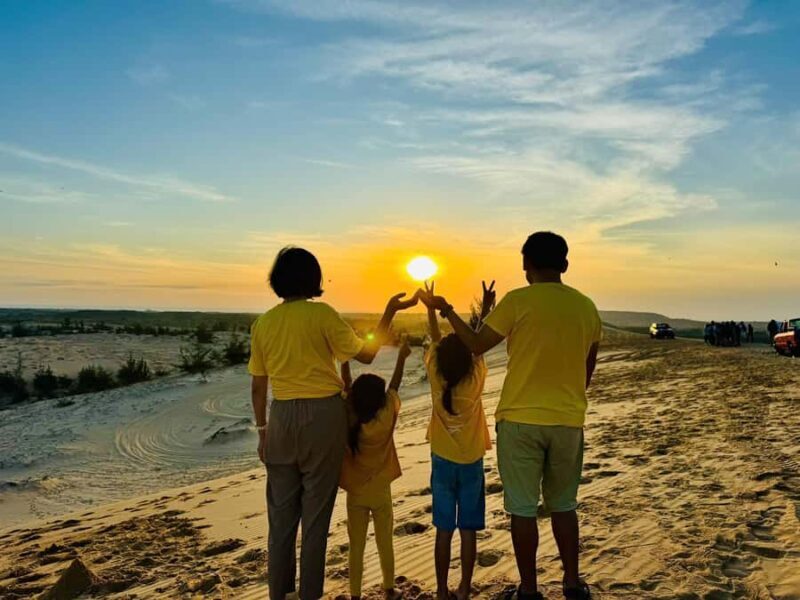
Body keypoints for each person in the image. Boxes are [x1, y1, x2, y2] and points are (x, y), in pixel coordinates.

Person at [419, 232, 601, 600]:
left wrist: (446, 309)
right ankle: (571, 582)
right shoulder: (587, 308)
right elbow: (587, 369)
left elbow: (475, 344)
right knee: (564, 505)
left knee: (522, 509)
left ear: (526, 265)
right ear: (565, 265)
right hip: (568, 419)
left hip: (520, 420)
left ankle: (529, 590)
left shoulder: (518, 301)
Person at [248, 246, 418, 600]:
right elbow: (366, 355)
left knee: (281, 523)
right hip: (323, 418)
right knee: (315, 522)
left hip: (280, 418)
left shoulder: (263, 323)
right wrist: (389, 312)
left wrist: (262, 432)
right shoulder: (322, 314)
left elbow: (258, 385)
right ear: (313, 278)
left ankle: (279, 595)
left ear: (278, 280)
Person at [423, 280, 494, 600]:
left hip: (442, 460)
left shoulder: (435, 375)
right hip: (471, 461)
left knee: (443, 530)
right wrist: (486, 309)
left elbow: (435, 340)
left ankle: (441, 590)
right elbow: (477, 345)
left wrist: (429, 309)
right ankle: (464, 588)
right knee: (468, 530)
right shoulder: (476, 375)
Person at [339, 337, 411, 600]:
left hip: (356, 492)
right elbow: (395, 386)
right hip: (381, 489)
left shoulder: (350, 417)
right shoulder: (386, 414)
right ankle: (389, 588)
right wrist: (401, 357)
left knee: (356, 546)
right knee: (384, 541)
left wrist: (344, 359)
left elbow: (346, 385)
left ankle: (355, 595)